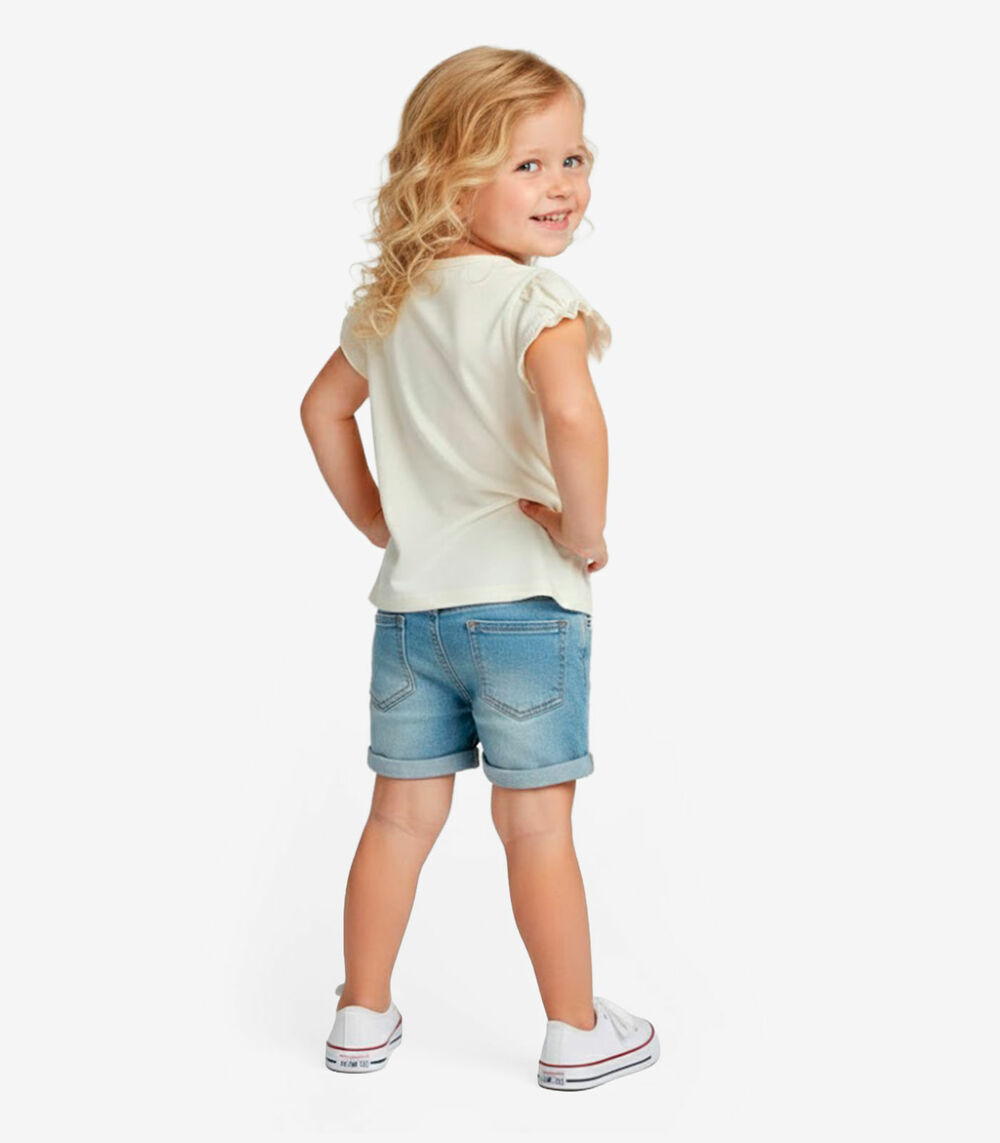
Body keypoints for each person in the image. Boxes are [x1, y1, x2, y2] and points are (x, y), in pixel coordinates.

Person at [300, 45, 659, 1091]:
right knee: (535, 823)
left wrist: (378, 518)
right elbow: (572, 415)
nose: (562, 186)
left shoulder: (393, 306)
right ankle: (575, 1030)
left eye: (573, 158)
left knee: (397, 817)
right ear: (446, 175)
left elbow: (322, 410)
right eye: (527, 165)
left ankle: (361, 1013)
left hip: (412, 616)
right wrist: (585, 533)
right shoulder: (535, 301)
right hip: (524, 611)